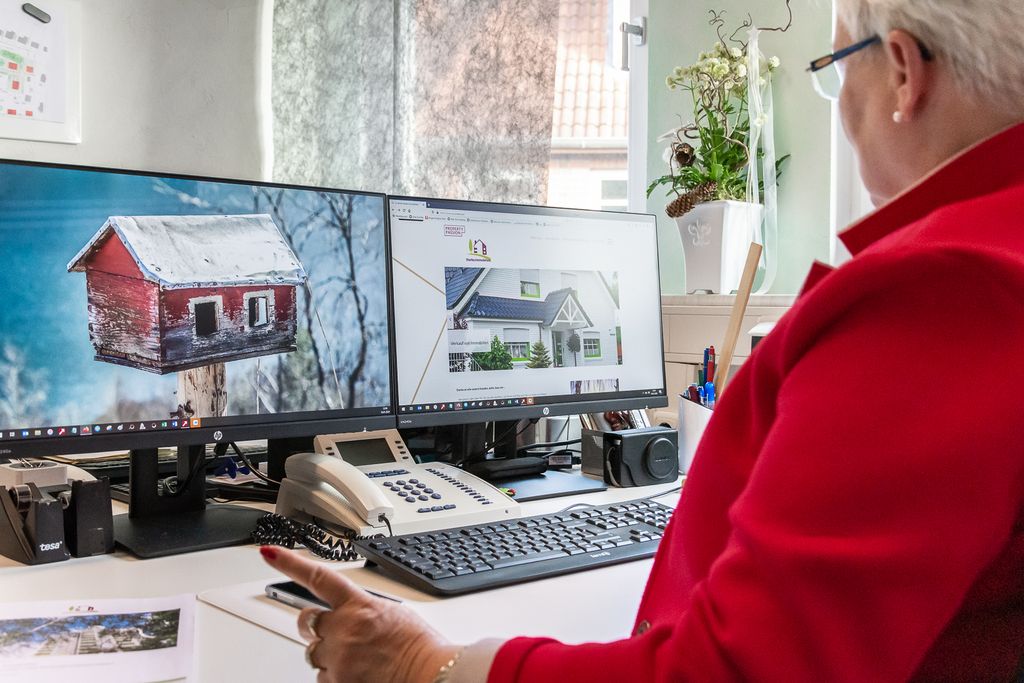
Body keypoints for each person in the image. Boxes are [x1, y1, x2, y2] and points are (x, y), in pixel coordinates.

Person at [261, 1, 1024, 680]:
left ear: (900, 72)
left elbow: (740, 669)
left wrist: (424, 663)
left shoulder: (939, 290)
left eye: (831, 67)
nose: (839, 102)